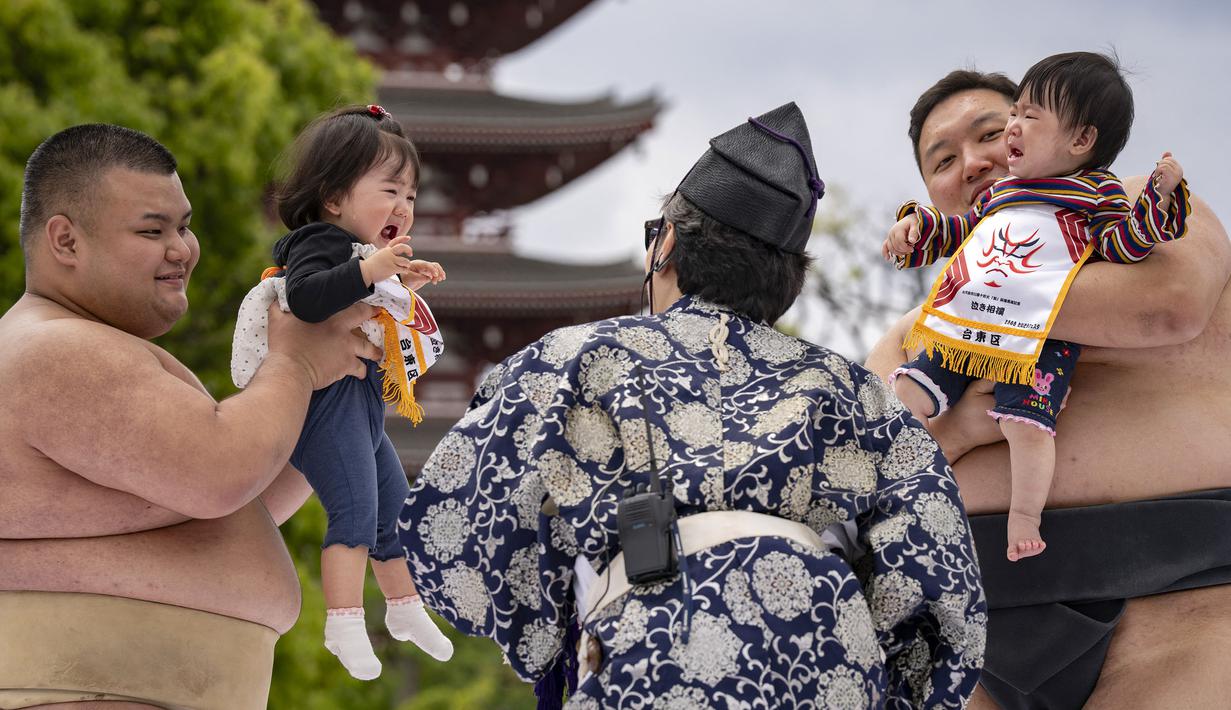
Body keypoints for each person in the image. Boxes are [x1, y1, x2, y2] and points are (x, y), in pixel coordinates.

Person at [399, 103, 986, 708]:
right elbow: (937, 569)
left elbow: (456, 530)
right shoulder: (855, 393)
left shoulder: (572, 359)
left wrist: (553, 629)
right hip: (826, 658)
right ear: (788, 282)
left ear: (668, 243)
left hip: (646, 652)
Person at [867, 69, 1231, 709]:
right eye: (944, 160)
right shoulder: (910, 336)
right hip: (971, 646)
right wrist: (961, 428)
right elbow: (864, 478)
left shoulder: (1140, 206)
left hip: (1180, 599)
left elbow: (1170, 307)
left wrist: (969, 305)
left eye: (989, 133)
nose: (974, 162)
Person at [0, 124, 380, 708]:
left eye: (184, 225)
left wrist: (332, 378)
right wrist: (296, 367)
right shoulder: (55, 351)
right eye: (152, 230)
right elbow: (218, 473)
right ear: (66, 241)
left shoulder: (82, 349)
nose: (182, 249)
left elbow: (244, 500)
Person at [881, 52, 1189, 562]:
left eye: (999, 129)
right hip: (961, 332)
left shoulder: (1100, 193)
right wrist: (913, 231)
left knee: (1025, 425)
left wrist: (1157, 202)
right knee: (906, 389)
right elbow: (955, 232)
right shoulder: (997, 199)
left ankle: (1025, 516)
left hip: (1039, 347)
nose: (995, 149)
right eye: (943, 160)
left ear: (1080, 140)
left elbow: (1129, 248)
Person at [230, 104, 452, 680]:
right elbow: (307, 298)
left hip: (361, 405)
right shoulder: (317, 243)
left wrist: (399, 279)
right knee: (354, 508)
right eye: (390, 190)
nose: (403, 207)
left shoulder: (355, 254)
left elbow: (361, 300)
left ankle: (404, 609)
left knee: (394, 513)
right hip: (323, 406)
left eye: (410, 195)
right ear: (334, 199)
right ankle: (345, 622)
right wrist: (373, 270)